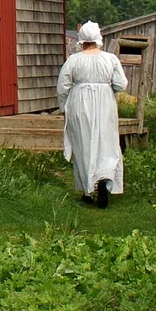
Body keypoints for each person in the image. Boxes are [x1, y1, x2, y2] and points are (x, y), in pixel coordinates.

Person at [56, 20, 128, 207]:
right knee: (106, 142)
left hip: (80, 103)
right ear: (98, 39)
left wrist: (65, 107)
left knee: (83, 142)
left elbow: (63, 87)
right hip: (105, 103)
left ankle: (88, 191)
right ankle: (103, 179)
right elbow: (121, 84)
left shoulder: (74, 60)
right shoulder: (110, 59)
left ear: (81, 40)